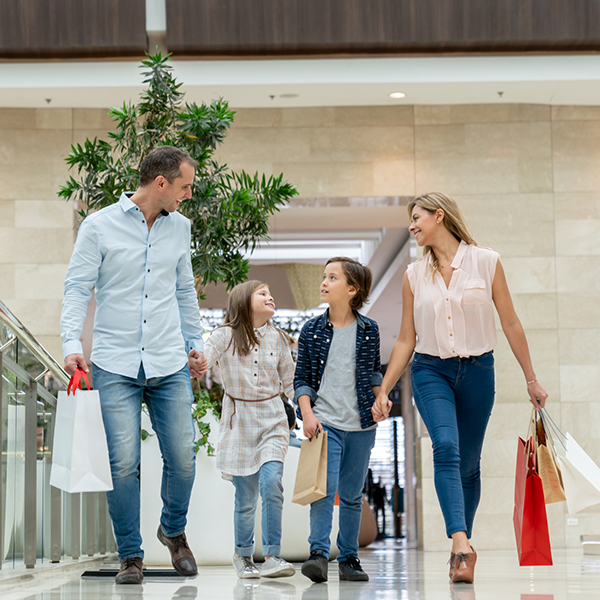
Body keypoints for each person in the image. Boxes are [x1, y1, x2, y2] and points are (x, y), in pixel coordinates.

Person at [372, 192, 548, 585]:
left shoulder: (486, 261)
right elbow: (405, 339)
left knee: (469, 465)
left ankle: (460, 546)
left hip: (479, 372)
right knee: (445, 447)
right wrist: (384, 389)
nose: (412, 225)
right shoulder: (413, 275)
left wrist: (531, 378)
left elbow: (511, 323)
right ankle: (461, 544)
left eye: (417, 217)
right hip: (430, 372)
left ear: (440, 215)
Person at [60, 146, 208, 584]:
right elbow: (76, 287)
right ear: (160, 183)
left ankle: (173, 530)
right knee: (122, 463)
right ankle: (130, 555)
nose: (187, 195)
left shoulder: (180, 228)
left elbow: (185, 292)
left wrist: (194, 343)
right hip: (114, 362)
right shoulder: (99, 226)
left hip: (168, 360)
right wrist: (72, 342)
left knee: (182, 457)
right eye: (184, 187)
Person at [294, 256, 384, 583]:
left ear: (352, 289)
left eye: (332, 278)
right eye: (324, 276)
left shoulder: (369, 330)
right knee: (322, 489)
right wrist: (307, 414)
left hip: (362, 425)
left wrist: (381, 398)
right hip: (325, 423)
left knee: (350, 494)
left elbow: (375, 373)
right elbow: (302, 377)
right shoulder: (312, 330)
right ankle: (318, 554)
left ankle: (349, 558)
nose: (324, 282)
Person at [203, 280, 296, 580]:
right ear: (244, 301)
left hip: (272, 419)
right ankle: (242, 555)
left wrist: (307, 411)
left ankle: (272, 556)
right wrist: (197, 360)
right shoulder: (225, 336)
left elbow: (291, 384)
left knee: (272, 483)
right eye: (263, 293)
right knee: (245, 498)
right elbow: (205, 356)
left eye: (271, 292)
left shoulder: (280, 339)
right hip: (239, 421)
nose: (271, 297)